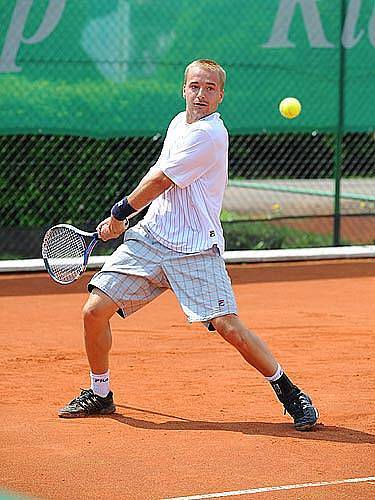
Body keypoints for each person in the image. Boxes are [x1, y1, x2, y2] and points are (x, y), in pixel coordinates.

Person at [59, 59, 319, 431]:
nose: (201, 94)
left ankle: (290, 392)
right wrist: (128, 220)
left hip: (195, 248)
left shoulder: (210, 135)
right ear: (184, 89)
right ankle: (101, 393)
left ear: (221, 96)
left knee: (228, 327)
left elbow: (163, 180)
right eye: (195, 86)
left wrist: (119, 213)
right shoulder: (179, 123)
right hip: (151, 239)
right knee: (93, 311)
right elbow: (156, 174)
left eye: (210, 88)